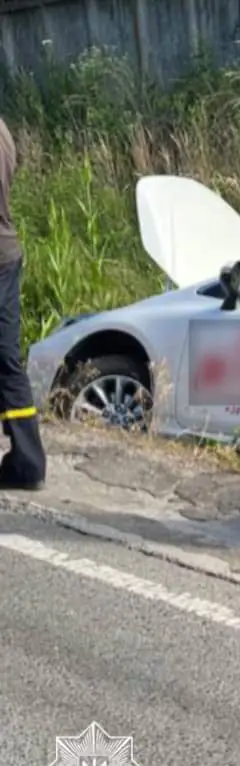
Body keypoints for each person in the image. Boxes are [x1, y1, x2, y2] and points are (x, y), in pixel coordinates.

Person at [0, 116, 46, 491]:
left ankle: (27, 463)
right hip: (7, 253)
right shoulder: (3, 129)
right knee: (6, 358)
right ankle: (28, 463)